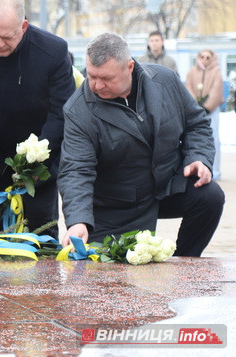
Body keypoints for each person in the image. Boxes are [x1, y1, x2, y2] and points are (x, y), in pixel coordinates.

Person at [60, 33, 224, 256]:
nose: (97, 85)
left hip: (167, 185)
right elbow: (76, 169)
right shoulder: (78, 110)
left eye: (106, 78)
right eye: (92, 76)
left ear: (129, 67)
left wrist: (198, 157)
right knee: (111, 277)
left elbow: (196, 123)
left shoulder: (165, 80)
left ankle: (186, 263)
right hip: (116, 204)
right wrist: (79, 220)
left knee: (210, 196)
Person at [0, 0, 75, 236]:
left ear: (23, 26)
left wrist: (35, 158)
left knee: (41, 233)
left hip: (39, 157)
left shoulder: (53, 50)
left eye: (7, 37)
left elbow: (61, 113)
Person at [185, 50, 224, 180]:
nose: (204, 59)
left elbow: (216, 89)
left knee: (214, 138)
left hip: (212, 110)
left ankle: (216, 171)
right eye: (202, 57)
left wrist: (207, 106)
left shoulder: (216, 71)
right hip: (196, 109)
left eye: (208, 57)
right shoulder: (191, 72)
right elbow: (188, 87)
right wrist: (195, 104)